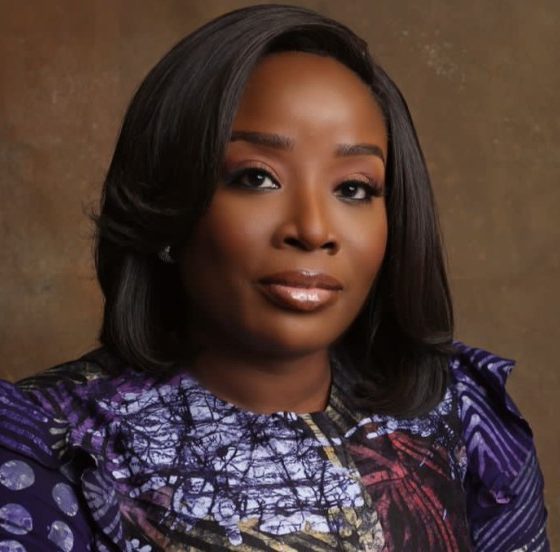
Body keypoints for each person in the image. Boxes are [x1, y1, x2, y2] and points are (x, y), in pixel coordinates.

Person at [0, 4, 549, 551]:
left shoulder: (460, 413)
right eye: (256, 178)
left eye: (353, 188)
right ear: (167, 204)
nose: (313, 229)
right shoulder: (45, 444)